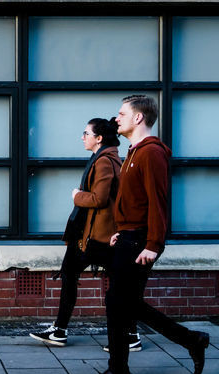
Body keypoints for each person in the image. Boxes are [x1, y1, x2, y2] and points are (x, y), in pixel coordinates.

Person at [79, 94, 210, 374]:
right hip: (128, 235)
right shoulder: (134, 152)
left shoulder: (151, 153)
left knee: (117, 303)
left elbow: (158, 201)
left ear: (139, 118)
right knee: (128, 304)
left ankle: (118, 372)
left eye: (122, 114)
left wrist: (153, 244)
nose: (116, 119)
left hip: (140, 241)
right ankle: (192, 340)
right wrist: (120, 228)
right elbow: (133, 200)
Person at [29, 117, 139, 351]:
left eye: (86, 133)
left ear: (98, 138)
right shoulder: (108, 158)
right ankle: (130, 334)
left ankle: (62, 331)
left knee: (73, 274)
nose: (83, 137)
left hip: (96, 236)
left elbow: (99, 199)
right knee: (115, 283)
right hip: (100, 233)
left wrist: (76, 195)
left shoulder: (103, 162)